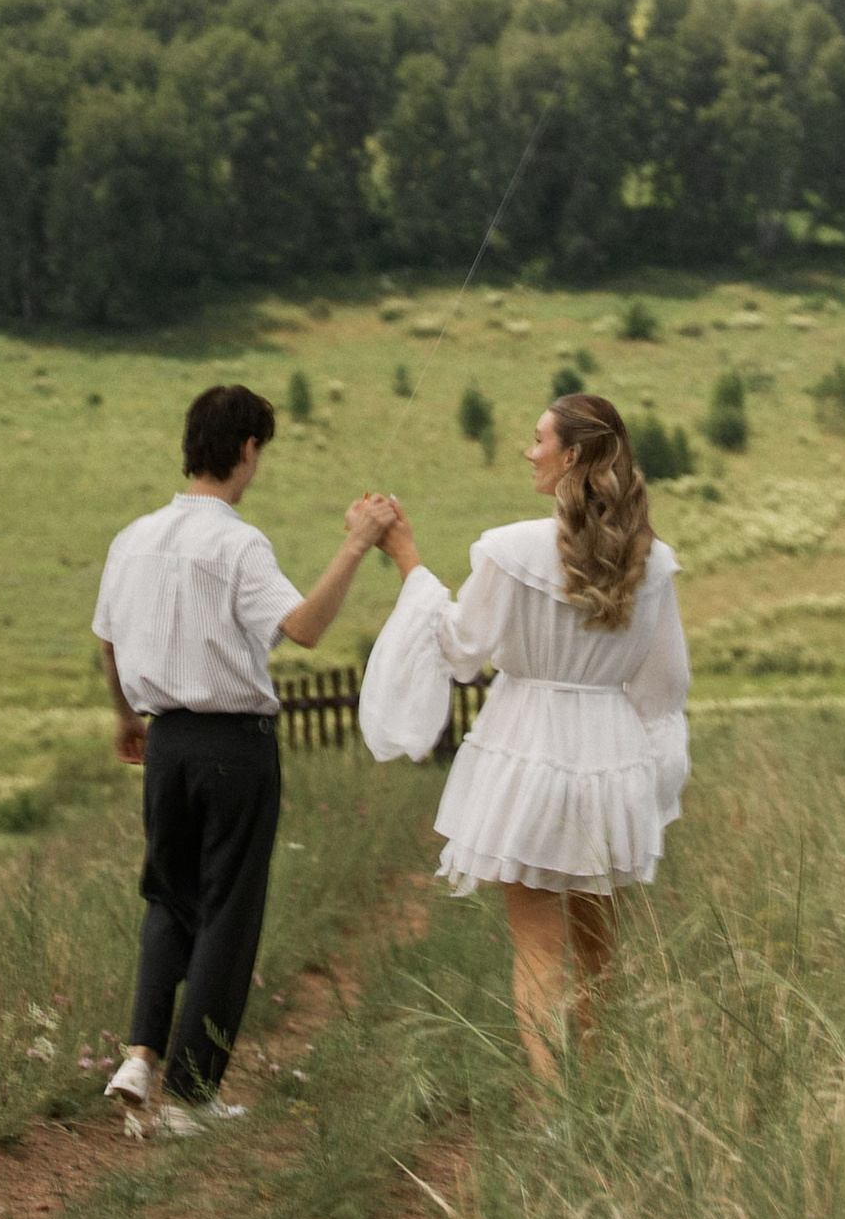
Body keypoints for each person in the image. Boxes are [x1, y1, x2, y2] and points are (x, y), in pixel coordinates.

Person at [92, 379, 399, 1136]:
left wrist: (127, 715)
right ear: (248, 449)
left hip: (164, 740)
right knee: (228, 911)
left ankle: (139, 1055)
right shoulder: (236, 542)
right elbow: (303, 627)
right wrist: (357, 542)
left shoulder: (132, 536)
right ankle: (193, 1097)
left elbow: (106, 636)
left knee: (170, 896)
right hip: (233, 747)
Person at [357, 388, 688, 1077]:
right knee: (599, 948)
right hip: (610, 757)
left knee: (537, 947)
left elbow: (459, 649)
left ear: (571, 455)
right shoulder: (652, 562)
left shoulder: (511, 552)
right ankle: (594, 1089)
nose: (528, 450)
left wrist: (407, 557)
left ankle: (549, 1103)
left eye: (539, 439)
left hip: (527, 750)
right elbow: (663, 686)